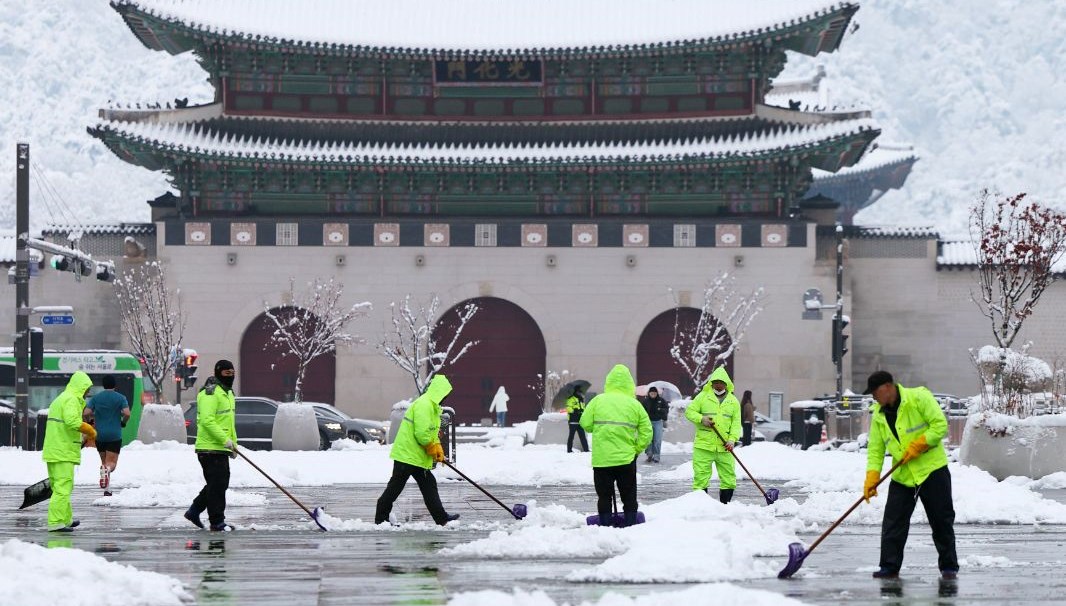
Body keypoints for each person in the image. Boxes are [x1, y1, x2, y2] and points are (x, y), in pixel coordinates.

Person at [862, 370, 958, 580]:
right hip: (903, 475)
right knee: (893, 523)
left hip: (932, 470)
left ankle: (949, 567)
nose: (873, 397)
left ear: (887, 387)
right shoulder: (879, 415)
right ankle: (889, 566)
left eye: (875, 392)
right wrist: (872, 477)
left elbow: (940, 425)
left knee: (941, 520)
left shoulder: (919, 397)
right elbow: (876, 450)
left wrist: (920, 444)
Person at [375, 374, 460, 526]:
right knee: (395, 488)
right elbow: (421, 434)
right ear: (438, 392)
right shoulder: (424, 405)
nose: (445, 398)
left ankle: (441, 518)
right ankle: (381, 519)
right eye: (444, 395)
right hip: (407, 456)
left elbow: (431, 432)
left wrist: (438, 449)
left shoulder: (433, 407)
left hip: (416, 456)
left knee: (429, 485)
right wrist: (432, 447)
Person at [579, 364, 652, 526]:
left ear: (609, 382)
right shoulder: (634, 404)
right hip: (626, 459)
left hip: (602, 459)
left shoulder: (598, 401)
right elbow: (647, 431)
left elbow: (585, 423)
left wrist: (597, 428)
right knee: (629, 495)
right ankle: (631, 522)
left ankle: (604, 524)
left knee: (604, 496)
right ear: (629, 383)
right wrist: (637, 449)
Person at [185, 360, 238, 532]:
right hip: (209, 447)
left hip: (220, 447)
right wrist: (225, 440)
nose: (230, 377)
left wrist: (233, 444)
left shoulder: (228, 393)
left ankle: (194, 511)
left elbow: (229, 422)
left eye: (232, 373)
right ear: (218, 373)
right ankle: (217, 522)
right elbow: (207, 421)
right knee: (217, 485)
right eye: (226, 373)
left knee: (219, 484)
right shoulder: (210, 393)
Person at [42, 371, 97, 531]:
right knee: (63, 487)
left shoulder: (61, 399)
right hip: (62, 450)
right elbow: (73, 422)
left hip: (55, 450)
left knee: (61, 486)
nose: (87, 394)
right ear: (81, 387)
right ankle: (56, 522)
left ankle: (65, 519)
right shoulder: (71, 400)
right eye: (86, 390)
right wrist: (90, 431)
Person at [685, 367, 741, 504]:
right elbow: (689, 412)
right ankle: (701, 507)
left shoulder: (733, 401)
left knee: (729, 478)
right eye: (715, 382)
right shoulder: (703, 397)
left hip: (725, 447)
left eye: (721, 382)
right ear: (711, 383)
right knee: (701, 478)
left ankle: (724, 506)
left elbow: (736, 424)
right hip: (704, 446)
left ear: (726, 383)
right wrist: (701, 419)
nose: (718, 385)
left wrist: (732, 440)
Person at [83, 374, 131, 496]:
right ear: (115, 385)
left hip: (100, 435)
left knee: (104, 462)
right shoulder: (120, 398)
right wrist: (123, 422)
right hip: (114, 435)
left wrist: (89, 422)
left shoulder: (96, 398)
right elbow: (127, 413)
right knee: (111, 464)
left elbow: (86, 412)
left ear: (103, 385)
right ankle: (107, 472)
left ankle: (107, 490)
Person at [640, 386, 669, 463]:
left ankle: (656, 456)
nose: (653, 394)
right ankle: (649, 454)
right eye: (652, 393)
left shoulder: (661, 400)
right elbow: (641, 411)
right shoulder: (645, 401)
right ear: (649, 393)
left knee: (657, 439)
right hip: (648, 422)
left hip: (658, 422)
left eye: (654, 393)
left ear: (657, 393)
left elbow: (666, 409)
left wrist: (660, 410)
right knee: (648, 439)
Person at [566, 387, 589, 453]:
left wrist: (582, 411)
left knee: (583, 436)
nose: (580, 393)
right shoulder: (571, 399)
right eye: (579, 392)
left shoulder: (581, 400)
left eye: (580, 392)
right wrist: (574, 410)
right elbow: (568, 408)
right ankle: (569, 450)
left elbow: (583, 409)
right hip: (573, 421)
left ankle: (586, 449)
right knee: (571, 436)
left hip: (580, 421)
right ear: (575, 392)